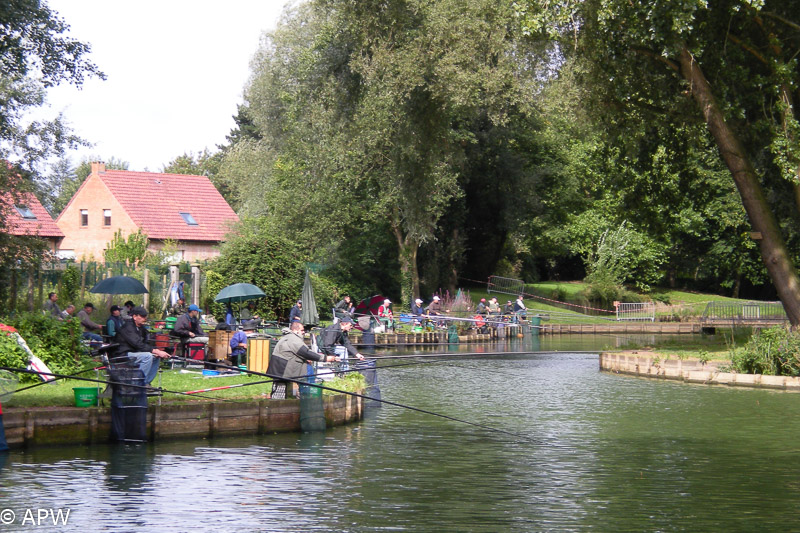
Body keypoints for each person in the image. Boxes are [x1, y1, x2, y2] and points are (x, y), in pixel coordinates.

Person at [267, 321, 339, 399]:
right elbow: (305, 352)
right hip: (282, 368)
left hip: (281, 366)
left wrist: (306, 358)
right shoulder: (293, 339)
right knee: (280, 390)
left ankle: (285, 402)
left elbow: (296, 353)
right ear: (295, 330)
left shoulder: (289, 337)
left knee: (283, 388)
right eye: (302, 330)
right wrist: (325, 358)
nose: (304, 332)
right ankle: (278, 405)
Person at [112, 306, 171, 385]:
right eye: (142, 316)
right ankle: (137, 385)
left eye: (145, 316)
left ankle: (146, 383)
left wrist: (157, 351)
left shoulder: (141, 328)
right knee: (147, 356)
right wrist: (156, 350)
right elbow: (138, 344)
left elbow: (145, 344)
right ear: (134, 317)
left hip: (134, 354)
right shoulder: (128, 327)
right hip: (122, 355)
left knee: (155, 357)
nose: (145, 318)